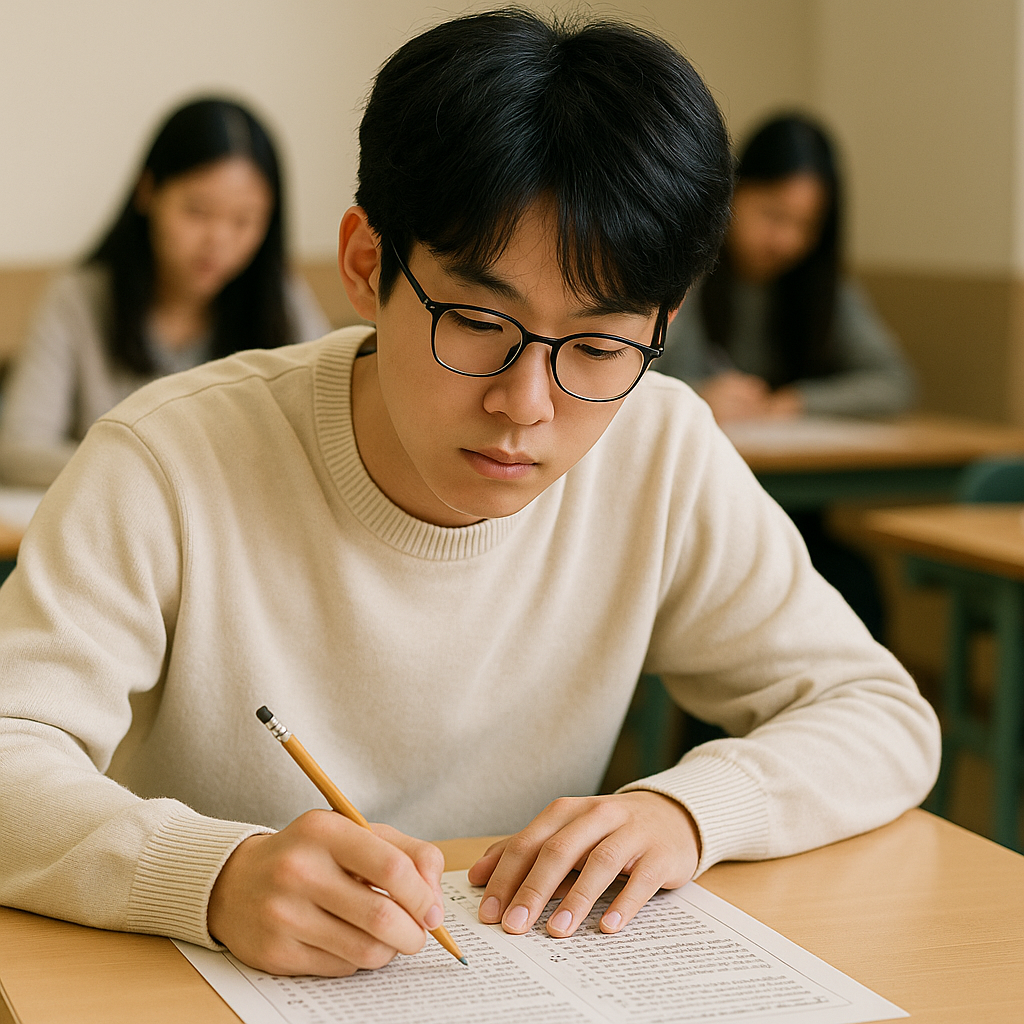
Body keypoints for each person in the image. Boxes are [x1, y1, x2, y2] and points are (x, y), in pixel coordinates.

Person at [0, 10, 939, 979]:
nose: (525, 404)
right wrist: (210, 875)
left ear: (663, 324)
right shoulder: (166, 457)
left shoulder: (660, 448)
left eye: (598, 345)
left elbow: (875, 712)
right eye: (479, 322)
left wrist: (688, 811)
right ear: (366, 263)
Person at [0, 97, 328, 488]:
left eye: (244, 220)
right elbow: (19, 451)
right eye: (197, 211)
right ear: (147, 191)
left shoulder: (282, 300)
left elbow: (332, 425)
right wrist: (163, 474)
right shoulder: (79, 300)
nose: (218, 239)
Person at [657, 113, 915, 422]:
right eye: (773, 215)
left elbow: (894, 382)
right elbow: (631, 373)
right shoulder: (686, 273)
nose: (787, 242)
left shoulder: (820, 284)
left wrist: (798, 402)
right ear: (732, 191)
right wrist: (697, 397)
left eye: (807, 225)